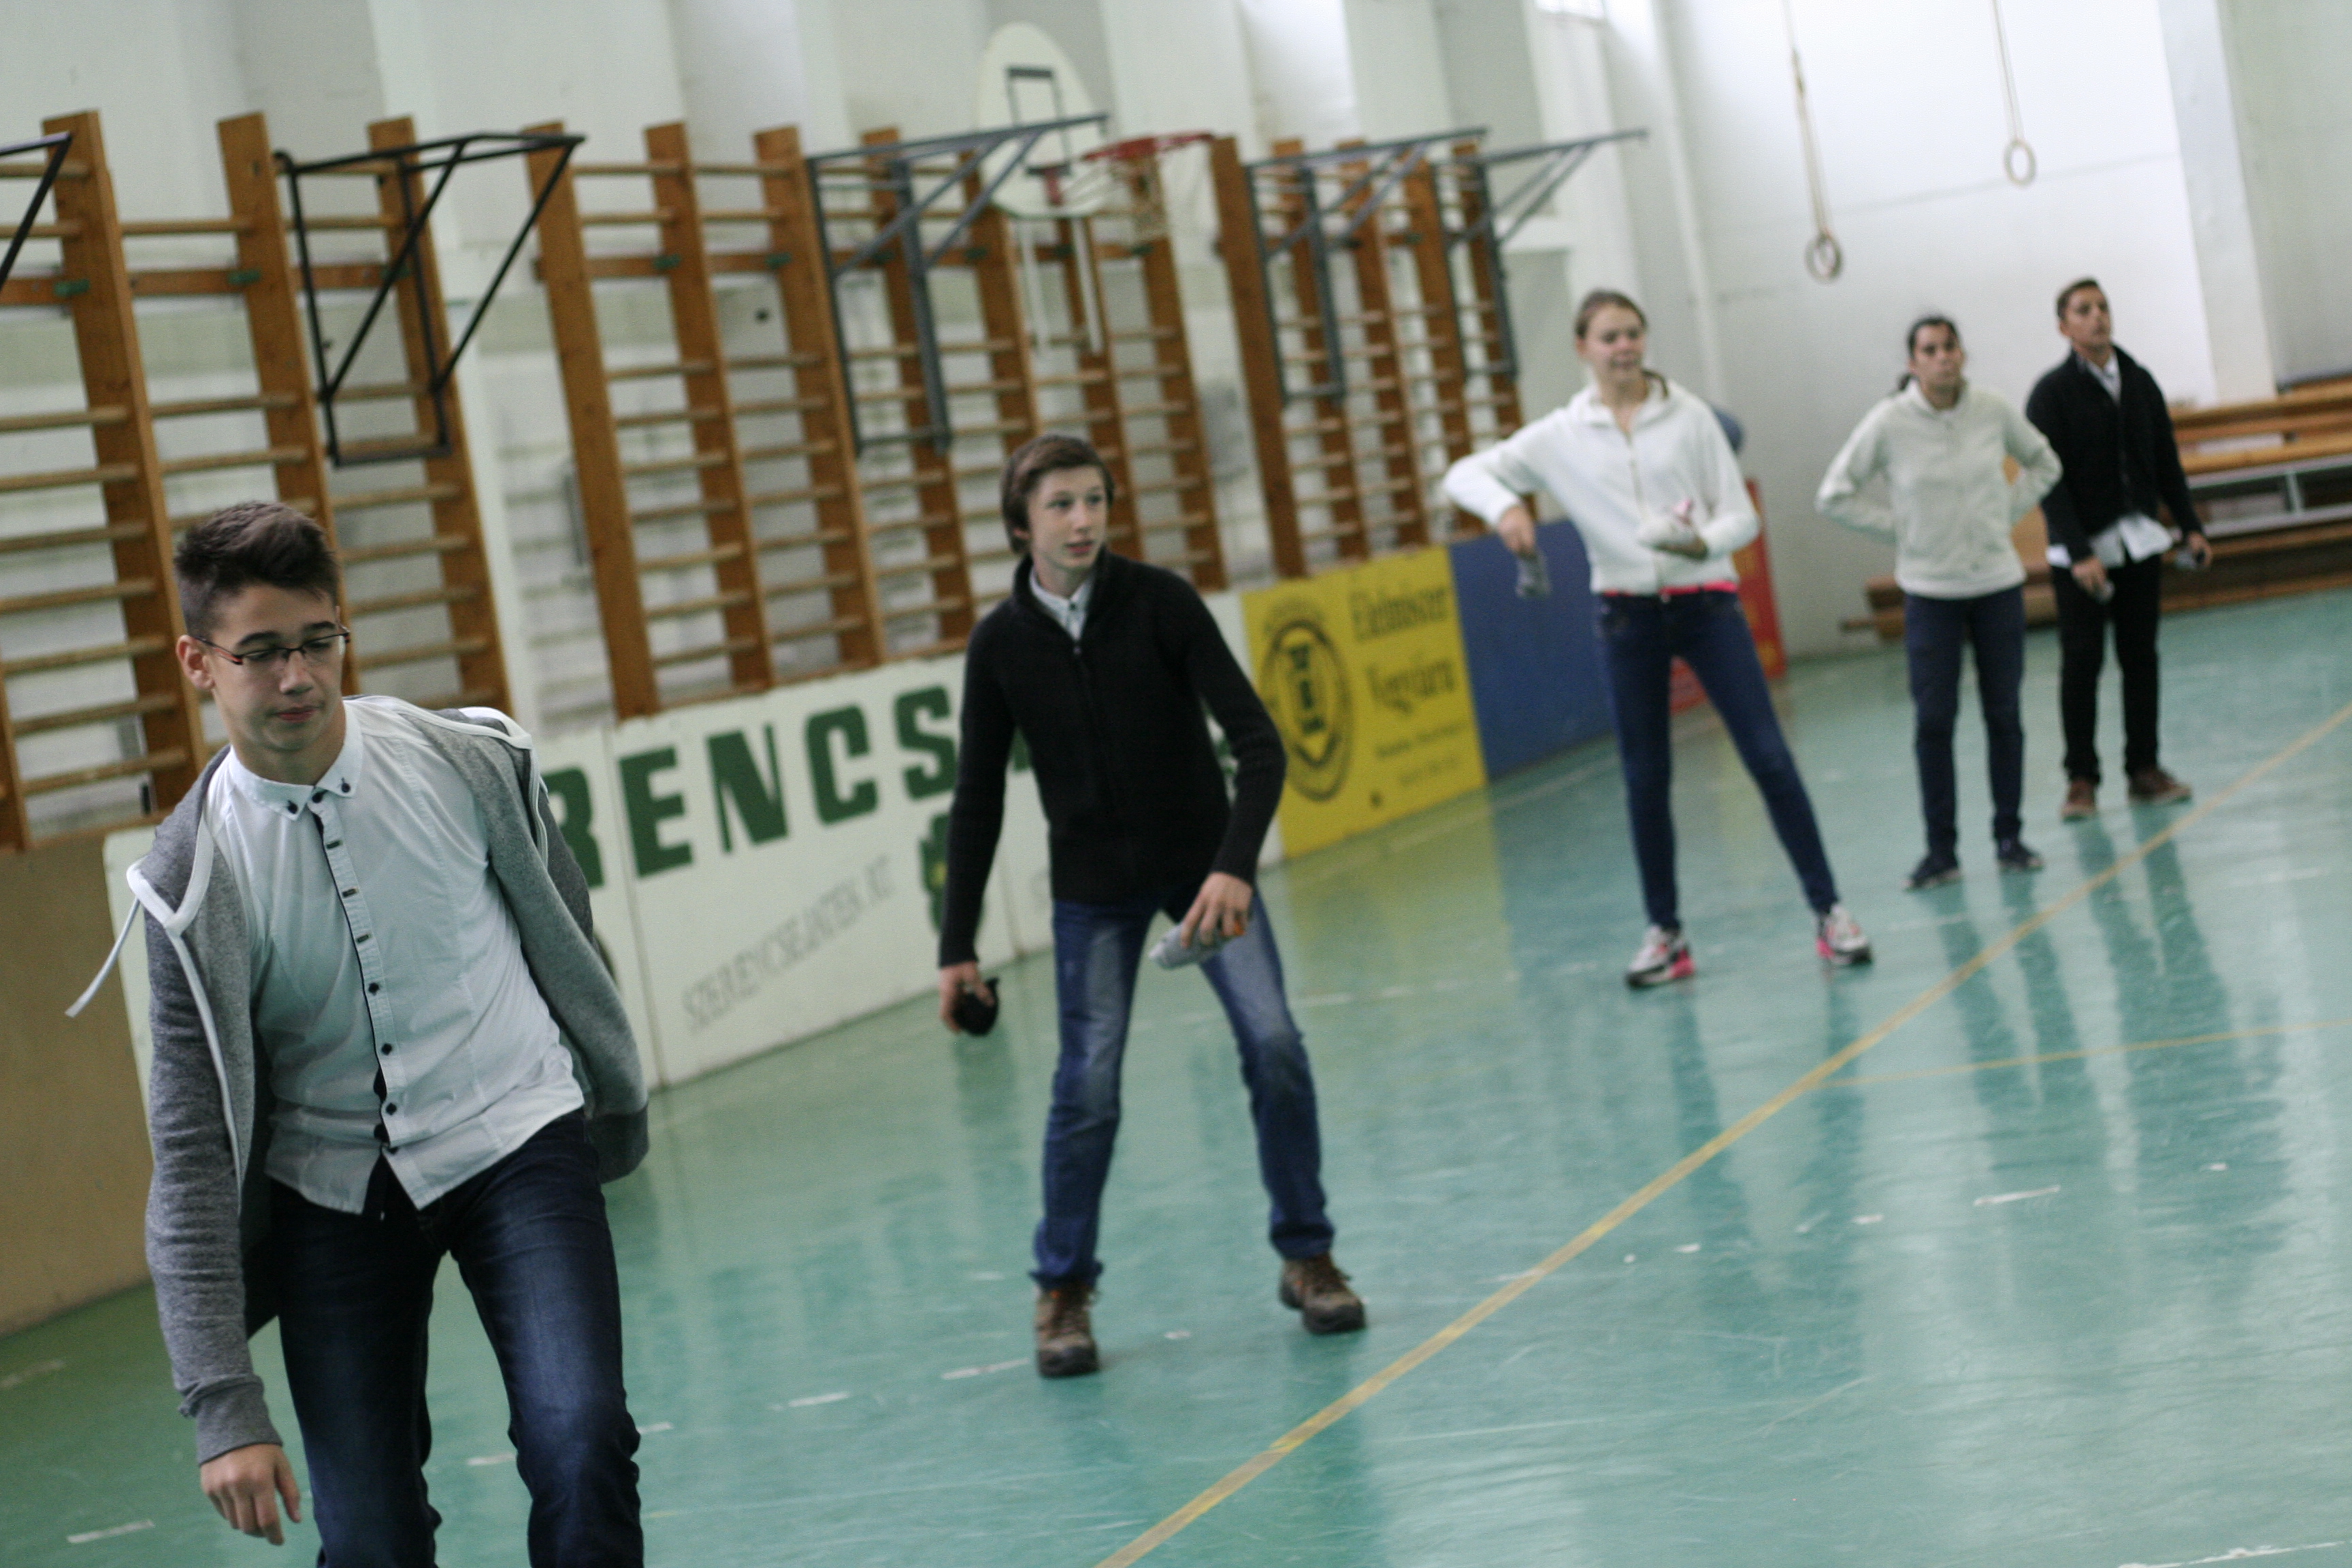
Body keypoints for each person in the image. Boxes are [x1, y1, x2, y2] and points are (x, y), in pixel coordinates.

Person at [102, 502, 651, 1564]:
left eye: (319, 641)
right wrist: (224, 1406)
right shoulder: (189, 883)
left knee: (580, 1439)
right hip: (336, 1194)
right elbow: (193, 1151)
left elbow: (567, 934)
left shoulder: (468, 764)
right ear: (198, 662)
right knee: (368, 1541)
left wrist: (611, 1094)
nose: (298, 676)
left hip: (516, 1136)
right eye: (261, 652)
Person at [934, 432, 1363, 1378]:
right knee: (1086, 1085)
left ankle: (1309, 1256)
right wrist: (956, 945)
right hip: (1093, 895)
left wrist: (1233, 868)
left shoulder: (1163, 602)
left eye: (1094, 500)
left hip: (1206, 875)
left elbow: (1260, 747)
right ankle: (1062, 1289)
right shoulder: (1000, 644)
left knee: (1276, 1045)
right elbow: (978, 800)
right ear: (1020, 526)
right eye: (1060, 504)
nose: (1082, 519)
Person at [1444, 289, 1872, 987]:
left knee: (1768, 758)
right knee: (1645, 777)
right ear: (1583, 348)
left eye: (1633, 334)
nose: (1624, 348)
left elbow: (1740, 517)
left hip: (1707, 606)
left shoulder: (1691, 418)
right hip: (1626, 617)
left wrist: (1698, 543)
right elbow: (1464, 473)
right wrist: (1505, 510)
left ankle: (1831, 914)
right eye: (1609, 337)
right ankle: (1666, 935)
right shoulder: (1560, 434)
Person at [1818, 314, 2064, 889]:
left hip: (1996, 586)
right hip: (1931, 594)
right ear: (1913, 363)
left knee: (2004, 714)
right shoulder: (1889, 422)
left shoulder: (1992, 409)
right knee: (1934, 721)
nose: (1943, 357)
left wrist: (2004, 513)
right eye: (1929, 350)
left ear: (1962, 354)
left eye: (1950, 346)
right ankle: (1941, 852)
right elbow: (1834, 495)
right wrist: (1903, 530)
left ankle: (2010, 838)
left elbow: (2045, 462)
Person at [2025, 278, 2210, 818]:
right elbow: (2048, 479)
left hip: (2140, 543)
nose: (2097, 317)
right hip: (2082, 554)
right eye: (2084, 310)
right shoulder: (2051, 393)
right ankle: (2081, 779)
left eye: (2103, 307)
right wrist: (2078, 550)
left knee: (2141, 657)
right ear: (2064, 326)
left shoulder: (2138, 379)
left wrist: (2190, 526)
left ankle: (2144, 769)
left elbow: (2165, 459)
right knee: (2082, 662)